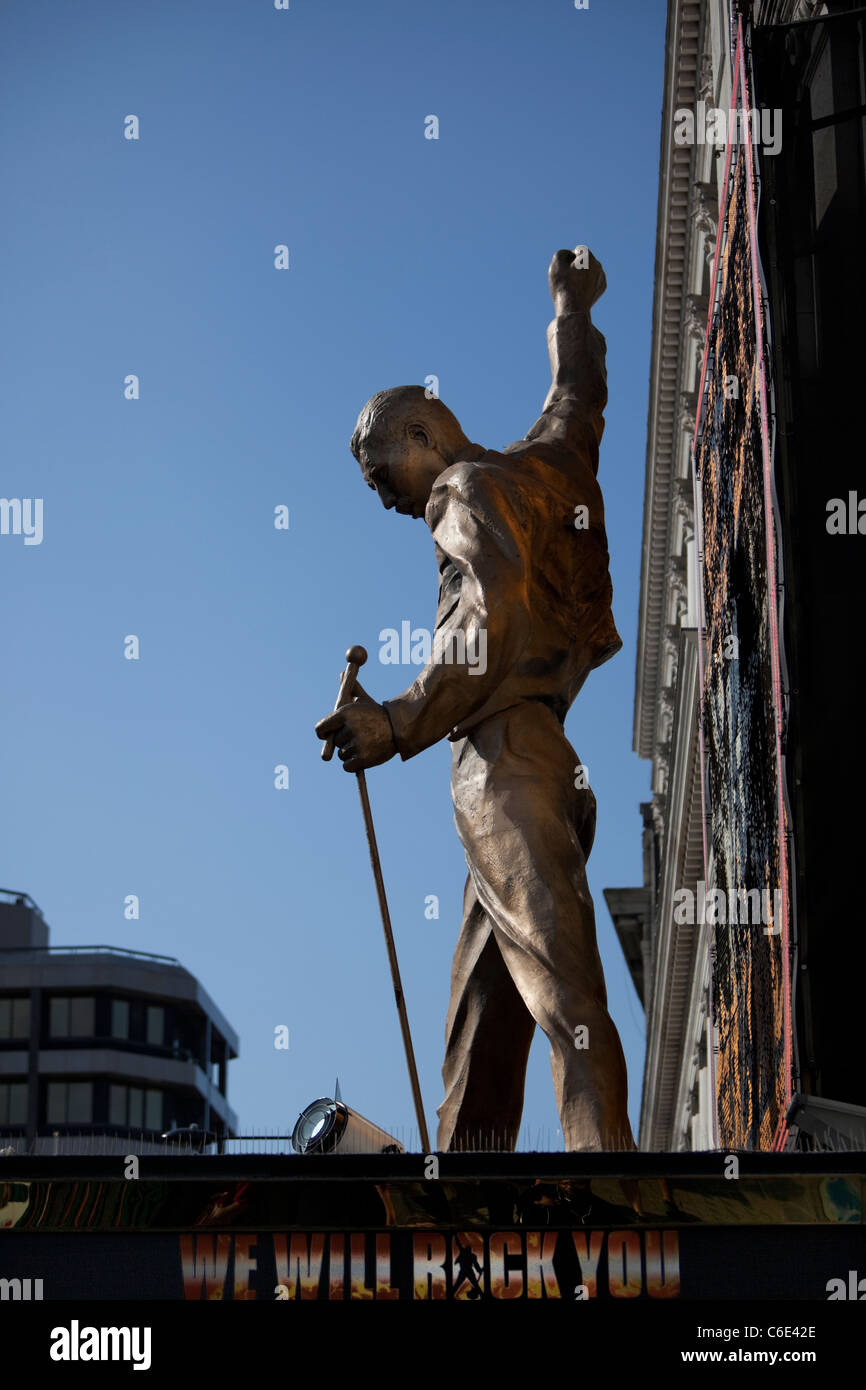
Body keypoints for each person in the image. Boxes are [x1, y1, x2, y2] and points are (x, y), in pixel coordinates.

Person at [315, 247, 634, 1152]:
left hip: (502, 762)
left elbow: (482, 615)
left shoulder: (462, 490)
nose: (386, 503)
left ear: (422, 437)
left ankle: (613, 1185)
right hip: (550, 767)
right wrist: (571, 309)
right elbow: (578, 401)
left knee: (565, 996)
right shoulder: (544, 473)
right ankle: (465, 1192)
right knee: (484, 1020)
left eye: (384, 479)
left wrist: (397, 719)